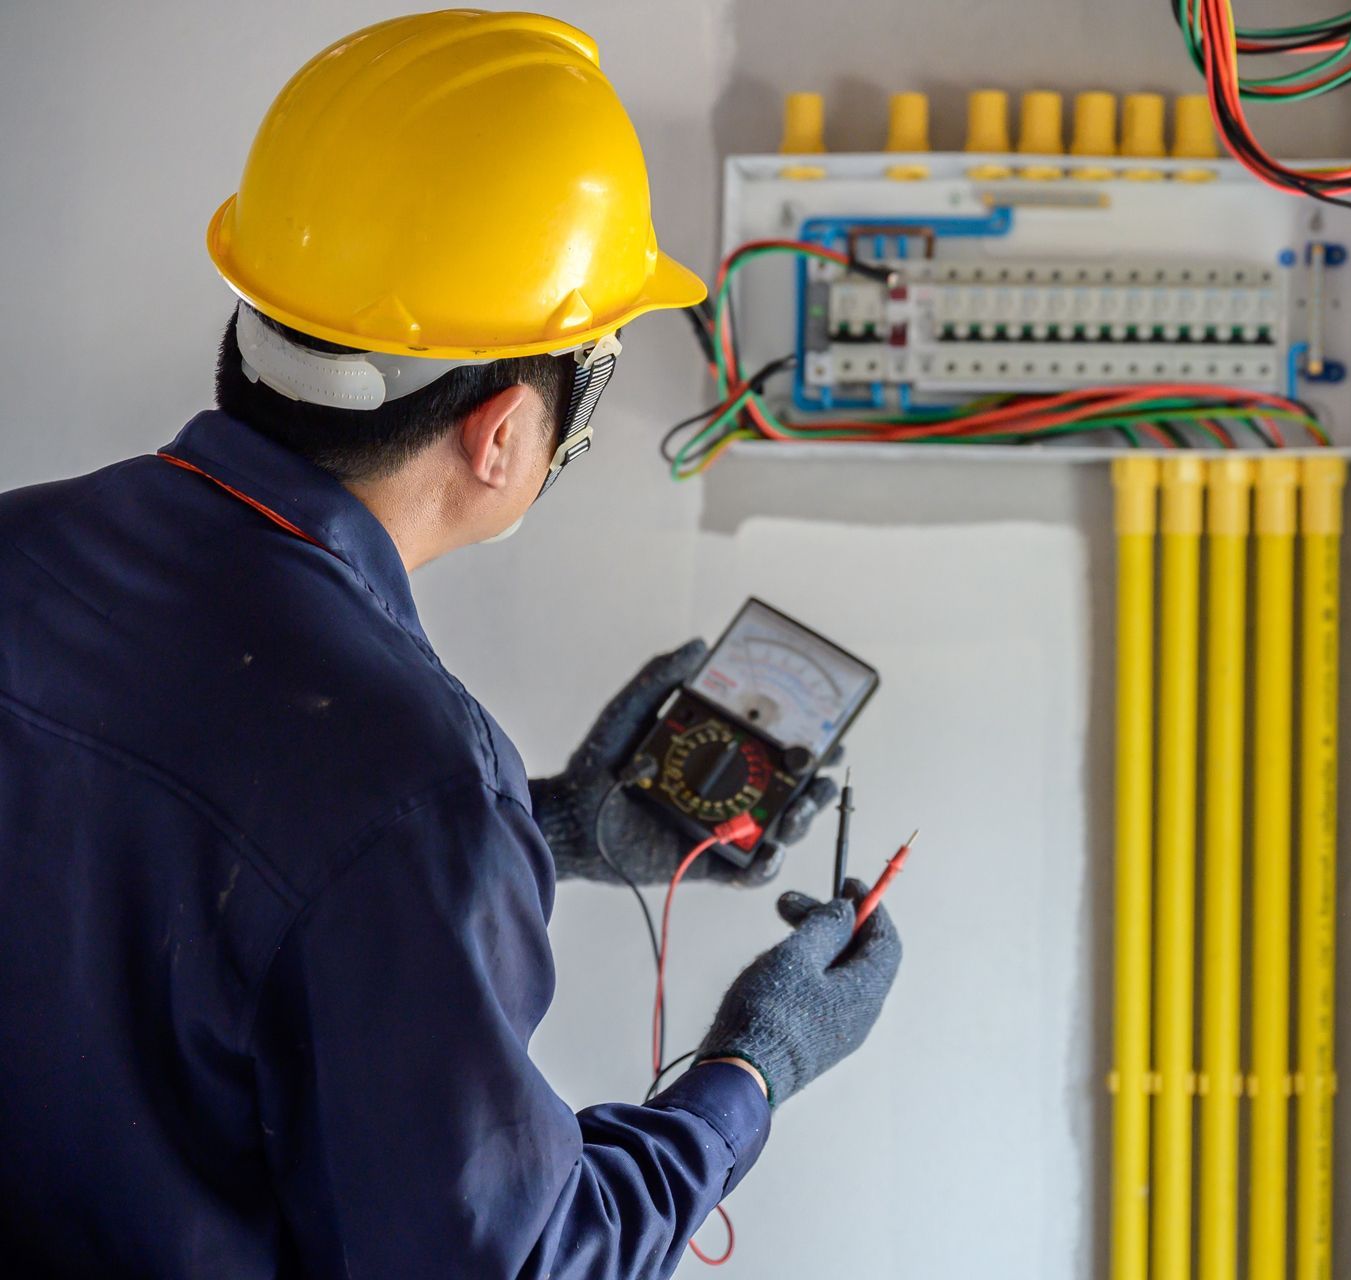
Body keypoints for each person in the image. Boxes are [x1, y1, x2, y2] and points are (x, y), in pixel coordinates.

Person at [0, 12, 901, 1278]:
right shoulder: (412, 780)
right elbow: (518, 1258)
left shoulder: (20, 548)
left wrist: (550, 827)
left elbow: (171, 859)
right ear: (500, 436)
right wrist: (757, 1062)